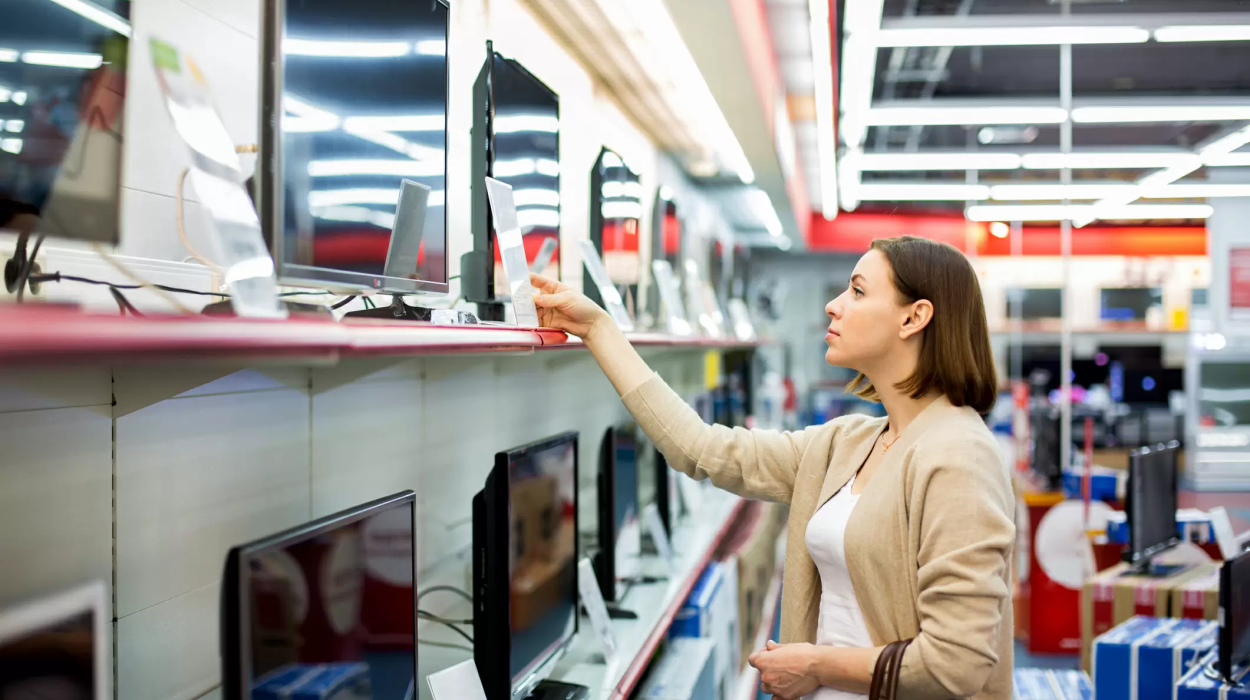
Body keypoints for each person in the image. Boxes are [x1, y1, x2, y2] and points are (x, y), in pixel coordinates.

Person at [531, 235, 1014, 700]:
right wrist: (598, 330)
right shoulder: (849, 442)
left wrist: (816, 664)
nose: (834, 304)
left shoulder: (959, 456)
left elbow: (958, 662)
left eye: (858, 291)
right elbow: (700, 448)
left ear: (915, 317)